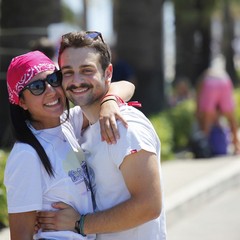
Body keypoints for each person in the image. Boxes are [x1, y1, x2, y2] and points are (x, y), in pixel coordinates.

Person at [37, 31, 167, 239]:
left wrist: (80, 223)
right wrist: (110, 99)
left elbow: (149, 206)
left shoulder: (125, 128)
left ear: (108, 73)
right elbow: (126, 86)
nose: (76, 81)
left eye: (87, 70)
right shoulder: (81, 121)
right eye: (68, 72)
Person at [4, 50, 135, 240]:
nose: (50, 90)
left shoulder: (68, 124)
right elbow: (20, 236)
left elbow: (126, 86)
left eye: (54, 78)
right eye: (37, 86)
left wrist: (109, 102)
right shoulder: (26, 155)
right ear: (22, 101)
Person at [194, 64, 240, 157]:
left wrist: (198, 110)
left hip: (211, 83)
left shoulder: (203, 79)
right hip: (225, 80)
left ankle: (205, 149)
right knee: (231, 118)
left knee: (206, 120)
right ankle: (236, 146)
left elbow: (199, 97)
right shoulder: (214, 72)